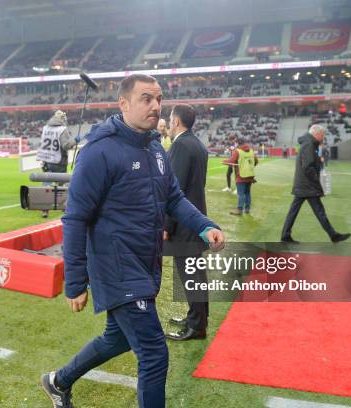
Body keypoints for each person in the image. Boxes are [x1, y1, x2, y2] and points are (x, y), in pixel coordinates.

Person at [41, 74, 225, 408]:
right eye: (146, 98)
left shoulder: (155, 147)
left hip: (144, 264)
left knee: (118, 339)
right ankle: (58, 381)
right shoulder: (99, 151)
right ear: (123, 104)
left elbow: (174, 198)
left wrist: (203, 226)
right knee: (154, 353)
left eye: (158, 99)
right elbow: (75, 218)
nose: (155, 106)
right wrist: (75, 280)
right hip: (117, 268)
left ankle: (58, 381)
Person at [163, 104, 210, 341]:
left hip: (184, 223)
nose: (169, 123)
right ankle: (198, 317)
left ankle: (196, 326)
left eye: (170, 119)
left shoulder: (180, 145)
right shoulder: (197, 143)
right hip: (195, 217)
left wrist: (166, 225)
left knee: (190, 275)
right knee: (196, 272)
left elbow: (174, 191)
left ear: (177, 122)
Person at [280, 125, 350, 244]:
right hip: (307, 185)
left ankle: (285, 235)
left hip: (303, 184)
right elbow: (308, 166)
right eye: (322, 135)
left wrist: (317, 161)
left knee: (296, 211)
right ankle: (333, 235)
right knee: (318, 211)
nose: (322, 138)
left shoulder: (308, 144)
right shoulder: (309, 145)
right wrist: (316, 181)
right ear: (316, 134)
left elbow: (309, 163)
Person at [35, 110, 75, 218]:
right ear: (62, 119)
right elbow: (66, 146)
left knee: (46, 185)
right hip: (59, 161)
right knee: (62, 185)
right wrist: (75, 141)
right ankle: (64, 208)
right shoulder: (62, 129)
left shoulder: (45, 128)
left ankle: (44, 210)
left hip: (47, 160)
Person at [227, 137, 258, 216]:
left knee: (241, 193)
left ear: (237, 143)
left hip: (241, 176)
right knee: (247, 192)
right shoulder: (251, 150)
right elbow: (256, 161)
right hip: (250, 175)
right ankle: (247, 209)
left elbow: (231, 161)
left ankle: (239, 209)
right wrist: (249, 167)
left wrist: (224, 161)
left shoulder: (237, 151)